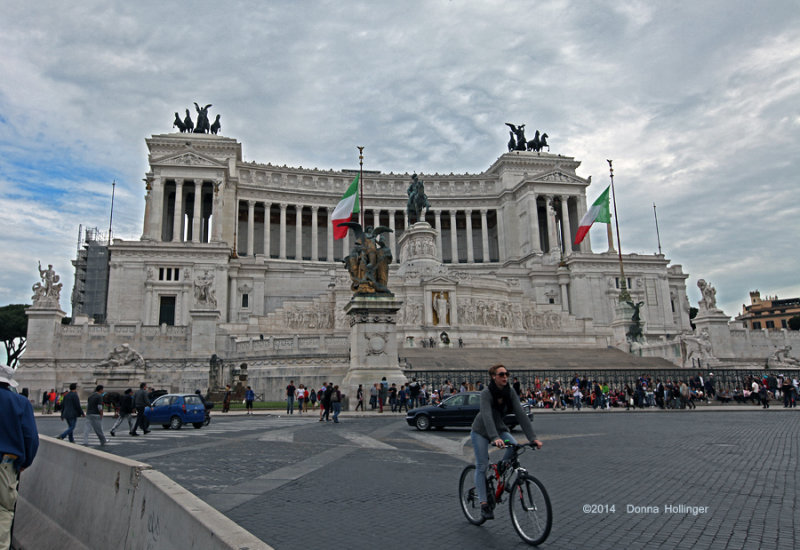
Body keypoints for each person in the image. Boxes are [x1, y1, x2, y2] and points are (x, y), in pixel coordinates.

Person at [470, 364, 541, 521]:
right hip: (481, 431)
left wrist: (532, 438)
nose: (505, 377)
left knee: (514, 446)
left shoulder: (510, 392)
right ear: (493, 376)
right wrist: (495, 438)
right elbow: (487, 416)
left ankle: (500, 474)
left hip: (500, 429)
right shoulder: (486, 393)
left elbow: (521, 414)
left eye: (506, 374)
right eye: (501, 374)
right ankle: (483, 504)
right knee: (481, 466)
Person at [0, 365, 39, 550]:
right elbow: (30, 437)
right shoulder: (20, 402)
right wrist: (25, 462)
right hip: (5, 464)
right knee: (3, 511)